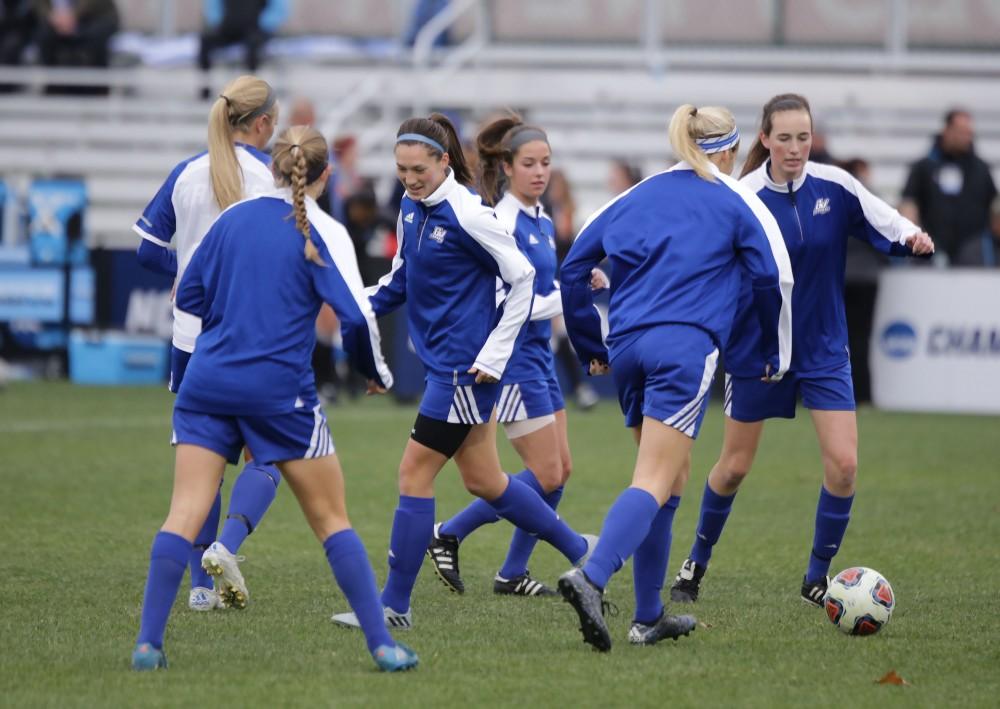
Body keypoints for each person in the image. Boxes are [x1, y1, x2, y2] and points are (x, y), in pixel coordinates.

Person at [131, 124, 418, 673]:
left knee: (183, 514)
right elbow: (356, 318)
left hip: (207, 383)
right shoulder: (323, 230)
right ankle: (383, 645)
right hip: (278, 391)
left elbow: (189, 293)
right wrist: (371, 373)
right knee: (333, 519)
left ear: (274, 167)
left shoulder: (231, 219)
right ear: (323, 175)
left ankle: (148, 644)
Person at [669, 93, 935, 609]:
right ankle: (695, 562)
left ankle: (817, 578)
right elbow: (702, 262)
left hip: (824, 350)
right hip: (758, 353)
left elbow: (887, 222)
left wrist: (913, 238)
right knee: (734, 467)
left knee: (844, 466)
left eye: (804, 137)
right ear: (764, 138)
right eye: (785, 138)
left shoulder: (835, 186)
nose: (795, 148)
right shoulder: (740, 195)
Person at [331, 113, 596, 630]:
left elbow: (521, 281)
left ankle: (394, 607)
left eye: (418, 169)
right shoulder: (411, 207)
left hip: (462, 373)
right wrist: (354, 304)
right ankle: (582, 550)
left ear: (443, 161)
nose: (409, 179)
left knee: (413, 475)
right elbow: (402, 277)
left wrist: (495, 354)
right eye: (402, 169)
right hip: (447, 369)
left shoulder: (470, 214)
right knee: (485, 480)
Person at [556, 104, 793, 653]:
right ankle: (591, 578)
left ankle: (648, 617)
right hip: (683, 347)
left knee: (670, 480)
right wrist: (773, 356)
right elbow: (774, 277)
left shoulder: (635, 194)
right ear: (730, 151)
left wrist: (592, 344)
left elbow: (572, 268)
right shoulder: (737, 199)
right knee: (655, 479)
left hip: (629, 347)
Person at [426, 115, 604, 597]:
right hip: (514, 363)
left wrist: (580, 283)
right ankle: (449, 533)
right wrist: (574, 298)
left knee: (559, 471)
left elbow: (543, 291)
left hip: (541, 357)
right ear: (506, 167)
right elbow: (512, 305)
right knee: (544, 473)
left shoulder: (541, 219)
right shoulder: (501, 220)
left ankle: (511, 573)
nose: (540, 172)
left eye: (546, 163)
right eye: (529, 163)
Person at [133, 75, 285, 612]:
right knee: (268, 450)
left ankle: (200, 587)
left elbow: (148, 251)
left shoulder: (187, 172)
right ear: (263, 123)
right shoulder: (269, 177)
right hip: (252, 336)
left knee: (205, 464)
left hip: (190, 339)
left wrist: (184, 270)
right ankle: (227, 546)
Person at [900, 109, 997, 264]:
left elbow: (994, 206)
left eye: (968, 133)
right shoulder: (924, 167)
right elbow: (908, 204)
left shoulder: (981, 169)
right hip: (931, 251)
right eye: (961, 132)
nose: (966, 137)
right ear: (947, 130)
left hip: (973, 253)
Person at [199, 0, 289, 97]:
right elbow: (213, 8)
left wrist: (264, 24)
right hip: (229, 27)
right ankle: (206, 84)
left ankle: (252, 87)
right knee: (205, 40)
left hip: (257, 28)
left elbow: (278, 9)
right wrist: (220, 22)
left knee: (253, 43)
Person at [34, 0, 119, 95]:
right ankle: (52, 85)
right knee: (45, 36)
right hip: (57, 22)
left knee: (94, 39)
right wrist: (53, 17)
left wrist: (72, 16)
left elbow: (90, 4)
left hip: (96, 18)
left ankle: (98, 90)